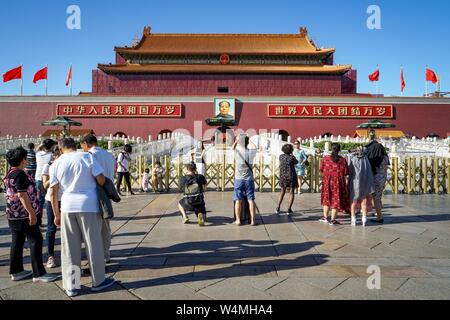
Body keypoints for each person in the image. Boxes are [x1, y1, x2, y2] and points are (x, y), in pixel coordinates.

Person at [49, 138, 114, 297]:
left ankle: (72, 285)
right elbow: (101, 178)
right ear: (75, 146)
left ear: (61, 148)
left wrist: (56, 214)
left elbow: (53, 192)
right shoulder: (86, 157)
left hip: (67, 206)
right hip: (89, 205)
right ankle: (98, 281)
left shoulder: (56, 163)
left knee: (70, 248)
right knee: (93, 244)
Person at [3, 147, 57, 283]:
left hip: (13, 214)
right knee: (35, 240)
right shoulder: (20, 174)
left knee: (17, 242)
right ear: (22, 160)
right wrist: (31, 213)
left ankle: (16, 271)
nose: (27, 160)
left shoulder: (10, 173)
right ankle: (38, 273)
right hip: (23, 214)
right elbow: (22, 194)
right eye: (26, 158)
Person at [81, 134, 117, 264]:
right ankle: (106, 254)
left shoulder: (89, 156)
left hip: (94, 193)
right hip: (108, 193)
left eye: (82, 146)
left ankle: (96, 256)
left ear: (86, 143)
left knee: (94, 227)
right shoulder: (109, 155)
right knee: (105, 226)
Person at [319, 143, 350, 226]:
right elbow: (346, 172)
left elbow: (321, 169)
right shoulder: (342, 160)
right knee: (335, 199)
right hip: (338, 182)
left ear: (331, 149)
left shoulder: (325, 158)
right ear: (339, 150)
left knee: (327, 198)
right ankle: (333, 220)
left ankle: (325, 217)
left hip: (327, 181)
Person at [41, 145, 62, 268]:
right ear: (54, 155)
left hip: (64, 199)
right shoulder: (48, 165)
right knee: (51, 228)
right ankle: (50, 256)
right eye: (58, 155)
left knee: (68, 228)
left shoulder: (65, 164)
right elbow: (44, 185)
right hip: (51, 199)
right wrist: (54, 176)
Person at [232, 134, 257, 226]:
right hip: (249, 179)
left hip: (238, 179)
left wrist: (237, 140)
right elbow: (255, 147)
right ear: (247, 143)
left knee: (238, 200)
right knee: (251, 199)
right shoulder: (250, 152)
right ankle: (253, 220)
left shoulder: (237, 152)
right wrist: (249, 139)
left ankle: (238, 220)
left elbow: (232, 147)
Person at [366, 135, 389, 224]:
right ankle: (378, 212)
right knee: (378, 197)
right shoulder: (385, 157)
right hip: (383, 178)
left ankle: (380, 217)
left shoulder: (375, 160)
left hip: (376, 179)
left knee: (375, 198)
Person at [348, 147, 374, 227]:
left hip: (355, 183)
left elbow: (351, 172)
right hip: (365, 183)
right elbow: (369, 173)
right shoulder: (366, 160)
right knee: (364, 201)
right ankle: (364, 219)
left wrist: (349, 183)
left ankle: (353, 218)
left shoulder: (353, 160)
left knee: (353, 202)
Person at [276, 144, 298, 215]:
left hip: (283, 176)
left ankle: (278, 207)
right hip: (291, 176)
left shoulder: (281, 156)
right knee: (291, 193)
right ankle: (289, 209)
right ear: (291, 150)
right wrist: (291, 154)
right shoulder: (292, 157)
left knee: (282, 192)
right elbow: (296, 162)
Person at [35, 139, 56, 210]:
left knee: (40, 199)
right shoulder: (51, 156)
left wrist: (42, 143)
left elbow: (37, 148)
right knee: (50, 197)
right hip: (47, 178)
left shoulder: (38, 153)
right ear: (52, 146)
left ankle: (39, 214)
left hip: (38, 177)